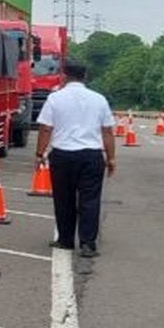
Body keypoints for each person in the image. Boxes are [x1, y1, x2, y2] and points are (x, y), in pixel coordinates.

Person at [34, 60, 116, 258]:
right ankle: (88, 244)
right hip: (91, 156)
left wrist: (39, 154)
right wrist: (111, 158)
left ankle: (66, 240)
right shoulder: (99, 99)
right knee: (90, 199)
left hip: (62, 156)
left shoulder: (55, 99)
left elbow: (46, 128)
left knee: (64, 199)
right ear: (85, 76)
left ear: (64, 75)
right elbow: (107, 132)